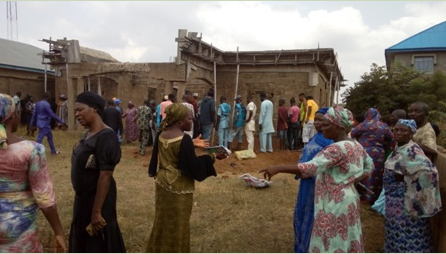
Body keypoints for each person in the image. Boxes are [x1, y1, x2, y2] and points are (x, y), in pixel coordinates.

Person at [260, 106, 373, 253]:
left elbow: (311, 167)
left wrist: (278, 168)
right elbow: (369, 166)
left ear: (338, 126)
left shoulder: (336, 149)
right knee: (346, 236)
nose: (322, 128)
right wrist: (353, 180)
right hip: (349, 200)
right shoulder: (355, 144)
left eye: (326, 124)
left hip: (334, 202)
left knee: (330, 238)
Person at [147, 103, 227, 252]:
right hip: (178, 187)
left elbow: (178, 155)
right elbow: (193, 167)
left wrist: (193, 145)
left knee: (162, 221)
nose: (192, 122)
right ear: (179, 121)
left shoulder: (161, 134)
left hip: (162, 183)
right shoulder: (183, 139)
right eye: (189, 119)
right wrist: (212, 156)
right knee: (179, 225)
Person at [0, 93, 67, 253]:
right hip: (17, 230)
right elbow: (44, 196)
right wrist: (58, 231)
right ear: (11, 116)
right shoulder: (31, 151)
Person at [70, 91, 126, 252]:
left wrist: (96, 211)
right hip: (84, 198)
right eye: (75, 111)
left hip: (98, 200)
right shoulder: (88, 134)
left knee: (97, 241)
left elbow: (106, 175)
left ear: (94, 109)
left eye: (80, 109)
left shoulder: (106, 136)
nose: (77, 114)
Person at [383, 119, 441, 253]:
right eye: (396, 130)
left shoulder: (412, 151)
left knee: (407, 231)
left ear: (411, 133)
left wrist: (408, 177)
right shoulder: (399, 148)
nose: (398, 133)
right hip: (393, 200)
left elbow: (429, 171)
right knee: (394, 229)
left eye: (404, 130)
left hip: (406, 200)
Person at [293, 107, 333, 252]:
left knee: (314, 215)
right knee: (302, 211)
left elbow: (329, 165)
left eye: (320, 120)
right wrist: (299, 169)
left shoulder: (331, 142)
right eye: (315, 119)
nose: (316, 123)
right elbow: (304, 156)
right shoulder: (314, 138)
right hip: (306, 182)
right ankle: (301, 245)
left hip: (319, 184)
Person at [351, 108, 394, 204]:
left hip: (363, 151)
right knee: (376, 173)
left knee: (362, 172)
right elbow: (392, 139)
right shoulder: (384, 126)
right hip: (378, 153)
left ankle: (361, 195)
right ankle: (373, 196)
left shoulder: (364, 124)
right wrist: (385, 146)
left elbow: (352, 133)